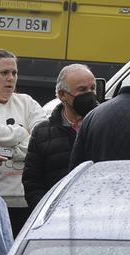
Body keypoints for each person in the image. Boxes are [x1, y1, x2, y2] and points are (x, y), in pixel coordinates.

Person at [0, 49, 46, 234]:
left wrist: (10, 152)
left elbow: (42, 136)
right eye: (4, 72)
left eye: (14, 73)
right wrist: (23, 132)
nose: (11, 78)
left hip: (26, 200)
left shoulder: (26, 102)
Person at [23, 64, 97, 208]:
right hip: (56, 217)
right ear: (62, 95)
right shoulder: (42, 132)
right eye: (82, 89)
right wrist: (46, 212)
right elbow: (32, 182)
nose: (89, 94)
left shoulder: (106, 125)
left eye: (92, 88)